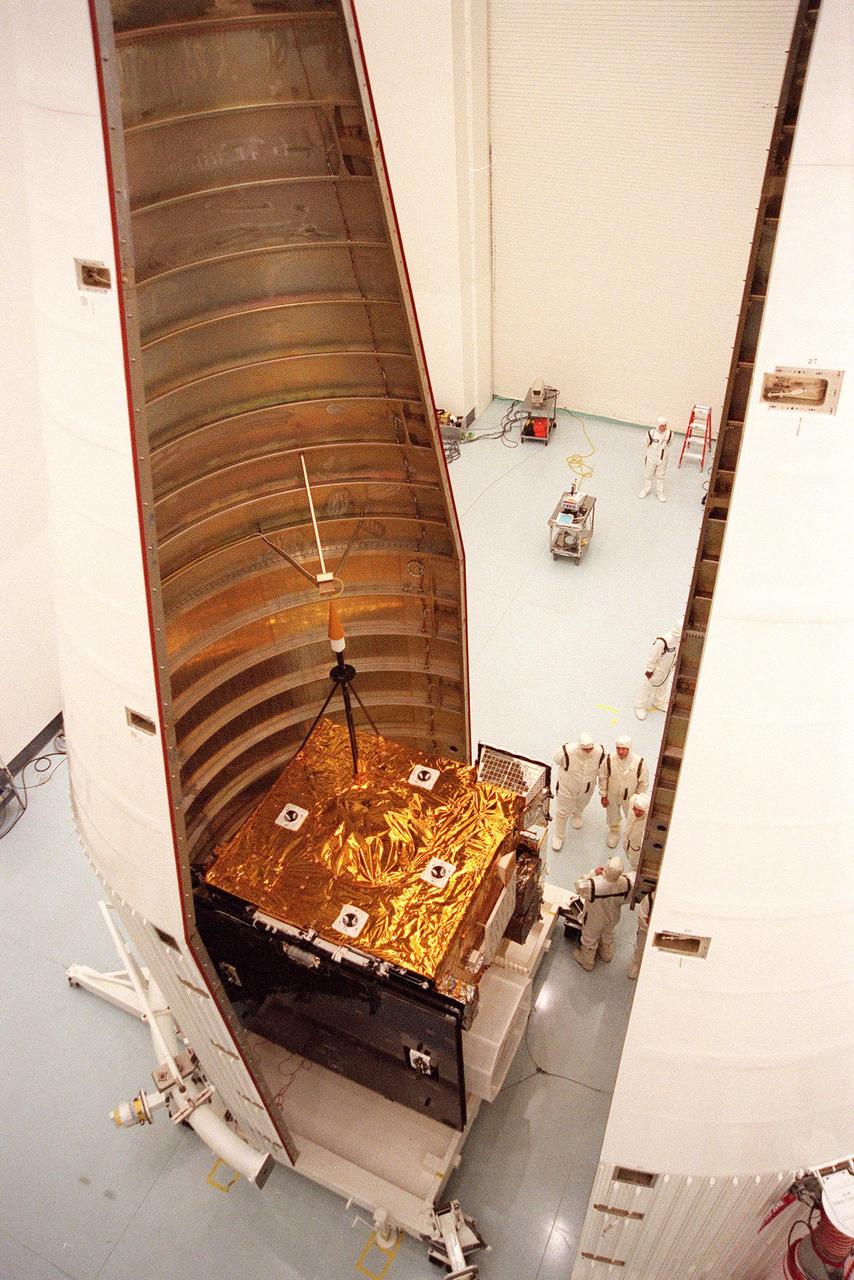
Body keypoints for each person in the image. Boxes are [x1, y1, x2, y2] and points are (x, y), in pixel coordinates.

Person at [573, 856, 634, 971]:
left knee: (589, 938)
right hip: (613, 917)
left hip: (594, 918)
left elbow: (579, 886)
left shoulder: (594, 884)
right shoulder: (626, 882)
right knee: (608, 933)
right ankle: (606, 954)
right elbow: (630, 896)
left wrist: (593, 873)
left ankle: (587, 961)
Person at [551, 733, 605, 850]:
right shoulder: (566, 752)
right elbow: (556, 759)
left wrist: (603, 791)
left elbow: (602, 772)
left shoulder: (600, 753)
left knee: (581, 804)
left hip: (587, 788)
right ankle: (558, 836)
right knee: (562, 812)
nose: (587, 751)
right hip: (567, 788)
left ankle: (577, 814)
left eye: (590, 749)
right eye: (584, 749)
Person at [599, 736, 649, 849]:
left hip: (631, 798)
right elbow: (603, 777)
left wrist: (637, 799)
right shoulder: (609, 760)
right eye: (618, 748)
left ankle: (631, 835)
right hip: (612, 794)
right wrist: (603, 795)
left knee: (632, 817)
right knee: (612, 815)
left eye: (624, 748)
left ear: (629, 748)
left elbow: (643, 783)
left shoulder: (639, 763)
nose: (620, 751)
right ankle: (614, 831)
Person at [635, 623, 682, 720]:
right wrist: (649, 670)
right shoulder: (663, 641)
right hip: (656, 670)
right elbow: (652, 657)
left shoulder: (678, 641)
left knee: (662, 686)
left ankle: (658, 702)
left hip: (667, 669)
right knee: (647, 688)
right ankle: (640, 706)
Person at [638, 417, 673, 502]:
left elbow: (669, 444)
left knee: (660, 476)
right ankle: (646, 490)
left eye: (665, 426)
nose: (663, 428)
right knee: (649, 475)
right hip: (651, 458)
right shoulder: (650, 434)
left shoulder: (670, 434)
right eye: (662, 426)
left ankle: (659, 493)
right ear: (657, 425)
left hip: (663, 459)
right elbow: (646, 444)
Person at [627, 887, 655, 980]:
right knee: (640, 947)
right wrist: (651, 929)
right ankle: (636, 963)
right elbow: (642, 919)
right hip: (645, 932)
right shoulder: (650, 899)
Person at [623, 792, 649, 869]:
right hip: (628, 840)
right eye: (635, 809)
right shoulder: (632, 801)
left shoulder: (648, 822)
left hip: (637, 848)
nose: (636, 812)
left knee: (635, 862)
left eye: (640, 811)